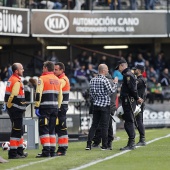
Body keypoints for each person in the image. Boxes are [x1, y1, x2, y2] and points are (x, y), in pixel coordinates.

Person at [85, 64, 117, 150]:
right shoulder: (105, 80)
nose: (107, 71)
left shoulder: (92, 80)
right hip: (105, 105)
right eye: (106, 69)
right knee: (105, 126)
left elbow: (91, 94)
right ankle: (104, 145)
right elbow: (111, 91)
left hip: (96, 105)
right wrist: (115, 83)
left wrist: (96, 99)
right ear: (103, 71)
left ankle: (88, 145)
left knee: (94, 125)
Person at [35, 61, 62, 158]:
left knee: (44, 130)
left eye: (43, 67)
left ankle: (46, 152)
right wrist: (58, 107)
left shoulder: (42, 79)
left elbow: (38, 93)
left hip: (44, 108)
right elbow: (60, 96)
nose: (42, 69)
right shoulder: (57, 79)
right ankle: (52, 151)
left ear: (46, 68)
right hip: (54, 108)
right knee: (52, 130)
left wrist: (37, 106)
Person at [115, 59, 143, 151]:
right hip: (128, 101)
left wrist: (137, 98)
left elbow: (132, 89)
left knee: (129, 122)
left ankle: (131, 143)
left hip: (129, 101)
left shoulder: (128, 75)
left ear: (122, 65)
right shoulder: (128, 74)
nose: (118, 70)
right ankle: (131, 143)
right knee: (128, 121)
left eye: (119, 67)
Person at [5, 63, 27, 159]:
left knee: (19, 130)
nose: (23, 70)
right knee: (16, 131)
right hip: (16, 109)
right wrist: (9, 105)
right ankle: (13, 153)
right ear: (16, 71)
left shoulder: (12, 79)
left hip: (15, 109)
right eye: (21, 69)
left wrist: (9, 106)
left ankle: (20, 151)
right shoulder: (16, 81)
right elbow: (13, 96)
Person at [92, 73, 118, 150]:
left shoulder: (105, 83)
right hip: (111, 106)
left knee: (104, 126)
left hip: (106, 106)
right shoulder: (112, 83)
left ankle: (102, 143)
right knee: (107, 125)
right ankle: (107, 143)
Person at [54, 62, 70, 156]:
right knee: (58, 128)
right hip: (58, 107)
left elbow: (57, 86)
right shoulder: (59, 79)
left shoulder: (63, 79)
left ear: (61, 70)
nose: (54, 71)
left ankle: (62, 149)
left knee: (61, 128)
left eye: (56, 69)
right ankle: (59, 148)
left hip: (61, 108)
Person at [133, 64, 147, 146]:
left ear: (139, 70)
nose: (134, 70)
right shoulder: (141, 79)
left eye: (136, 69)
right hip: (140, 102)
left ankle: (142, 139)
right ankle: (142, 139)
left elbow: (132, 87)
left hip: (139, 103)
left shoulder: (140, 80)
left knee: (138, 121)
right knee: (138, 121)